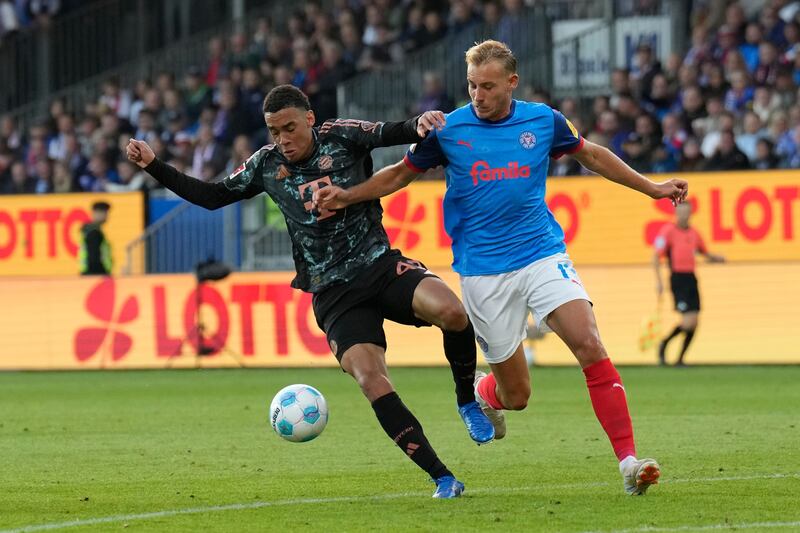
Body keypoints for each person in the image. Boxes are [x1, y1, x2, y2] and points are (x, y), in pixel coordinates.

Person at [314, 40, 690, 496]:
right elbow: (398, 174)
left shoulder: (544, 120)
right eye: (472, 85)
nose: (478, 95)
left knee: (588, 342)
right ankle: (485, 394)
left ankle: (629, 463)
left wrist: (652, 188)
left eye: (488, 86)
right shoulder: (449, 130)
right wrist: (349, 196)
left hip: (541, 253)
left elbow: (591, 154)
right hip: (483, 273)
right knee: (518, 396)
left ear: (512, 83)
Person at [127, 85, 494, 499]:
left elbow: (392, 132)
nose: (282, 139)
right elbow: (213, 197)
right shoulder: (265, 165)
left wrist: (419, 124)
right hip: (333, 291)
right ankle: (442, 477)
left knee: (452, 311)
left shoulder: (342, 135)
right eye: (273, 130)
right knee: (370, 378)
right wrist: (155, 165)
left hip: (379, 264)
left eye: (288, 128)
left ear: (309, 119)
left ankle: (466, 401)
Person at [654, 202, 725, 366]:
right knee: (687, 322)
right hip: (678, 278)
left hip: (691, 278)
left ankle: (680, 359)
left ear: (690, 213)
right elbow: (656, 257)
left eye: (686, 212)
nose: (684, 215)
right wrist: (658, 281)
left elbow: (704, 252)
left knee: (695, 323)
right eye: (681, 212)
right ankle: (664, 343)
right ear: (676, 213)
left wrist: (717, 259)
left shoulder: (694, 233)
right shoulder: (668, 232)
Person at [79, 201, 113, 275]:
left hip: (90, 273)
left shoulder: (90, 230)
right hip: (94, 274)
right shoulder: (94, 232)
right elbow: (94, 258)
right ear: (97, 213)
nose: (106, 216)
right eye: (105, 213)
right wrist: (103, 273)